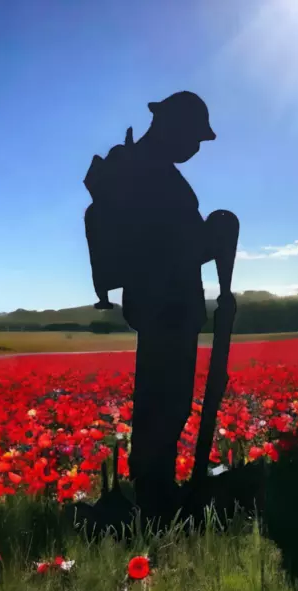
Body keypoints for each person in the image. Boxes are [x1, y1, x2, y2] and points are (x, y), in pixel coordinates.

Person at [85, 91, 238, 523]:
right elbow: (170, 247)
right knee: (164, 402)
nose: (196, 148)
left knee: (163, 401)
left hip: (161, 303)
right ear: (173, 127)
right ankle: (154, 497)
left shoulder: (148, 170)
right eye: (195, 138)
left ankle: (155, 488)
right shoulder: (152, 175)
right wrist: (217, 236)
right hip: (165, 303)